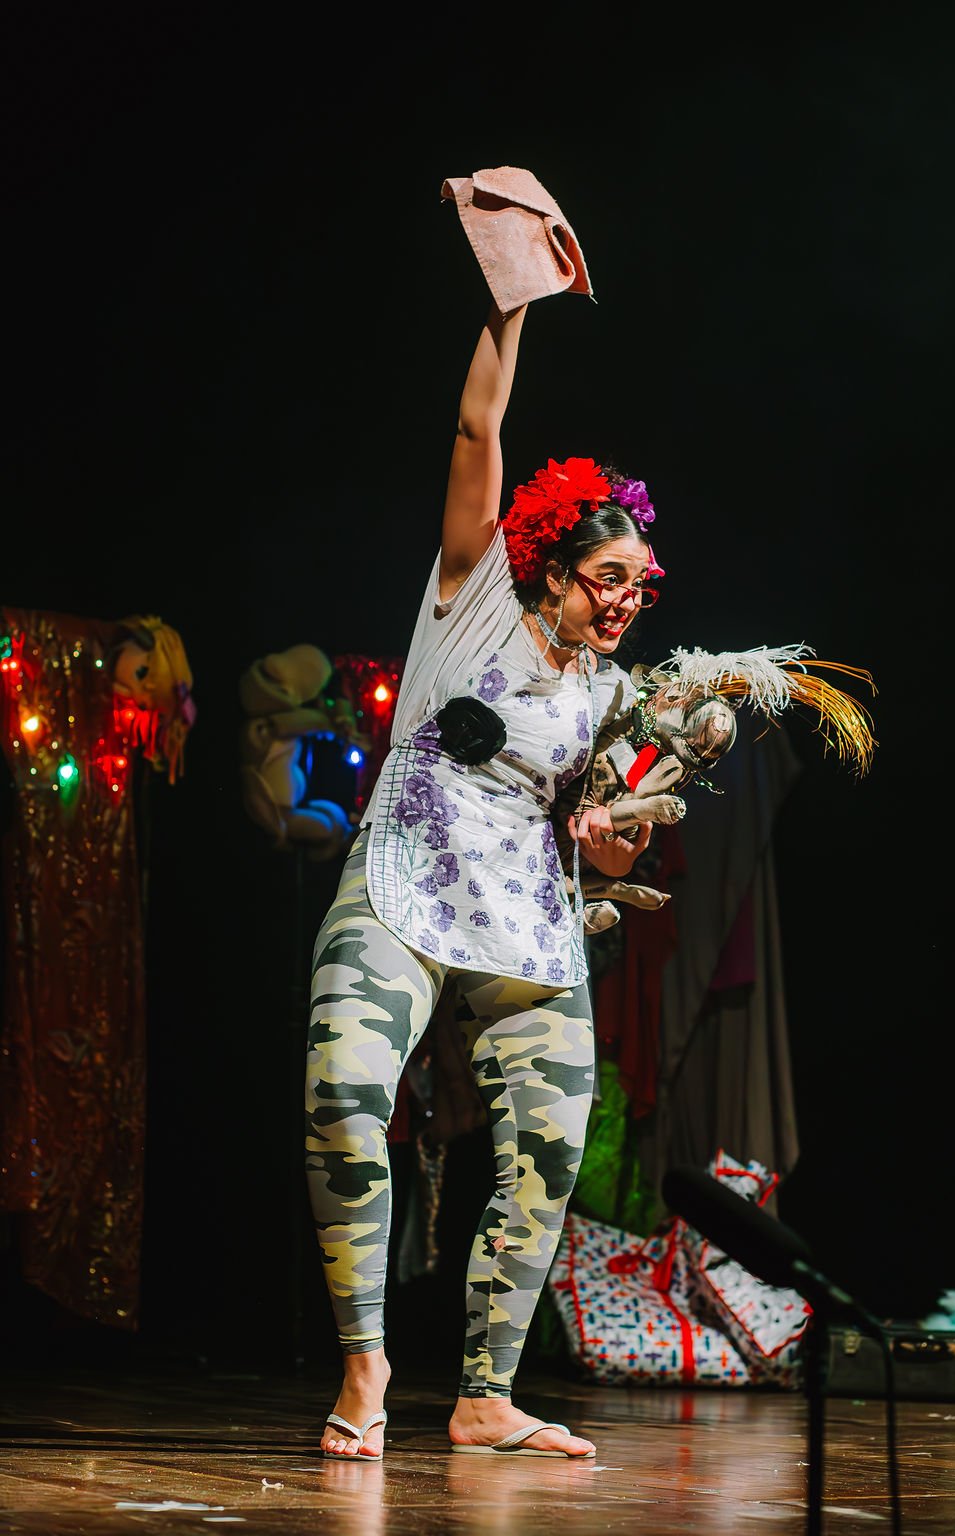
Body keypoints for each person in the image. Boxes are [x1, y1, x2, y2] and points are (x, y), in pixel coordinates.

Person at [305, 292, 665, 1461]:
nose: (624, 600)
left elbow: (607, 824)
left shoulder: (613, 691)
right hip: (405, 875)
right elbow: (478, 430)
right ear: (553, 570)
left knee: (550, 1147)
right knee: (342, 1098)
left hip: (522, 911)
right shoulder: (469, 597)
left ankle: (485, 1395)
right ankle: (365, 1359)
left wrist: (609, 844)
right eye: (606, 577)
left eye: (640, 584)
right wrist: (509, 303)